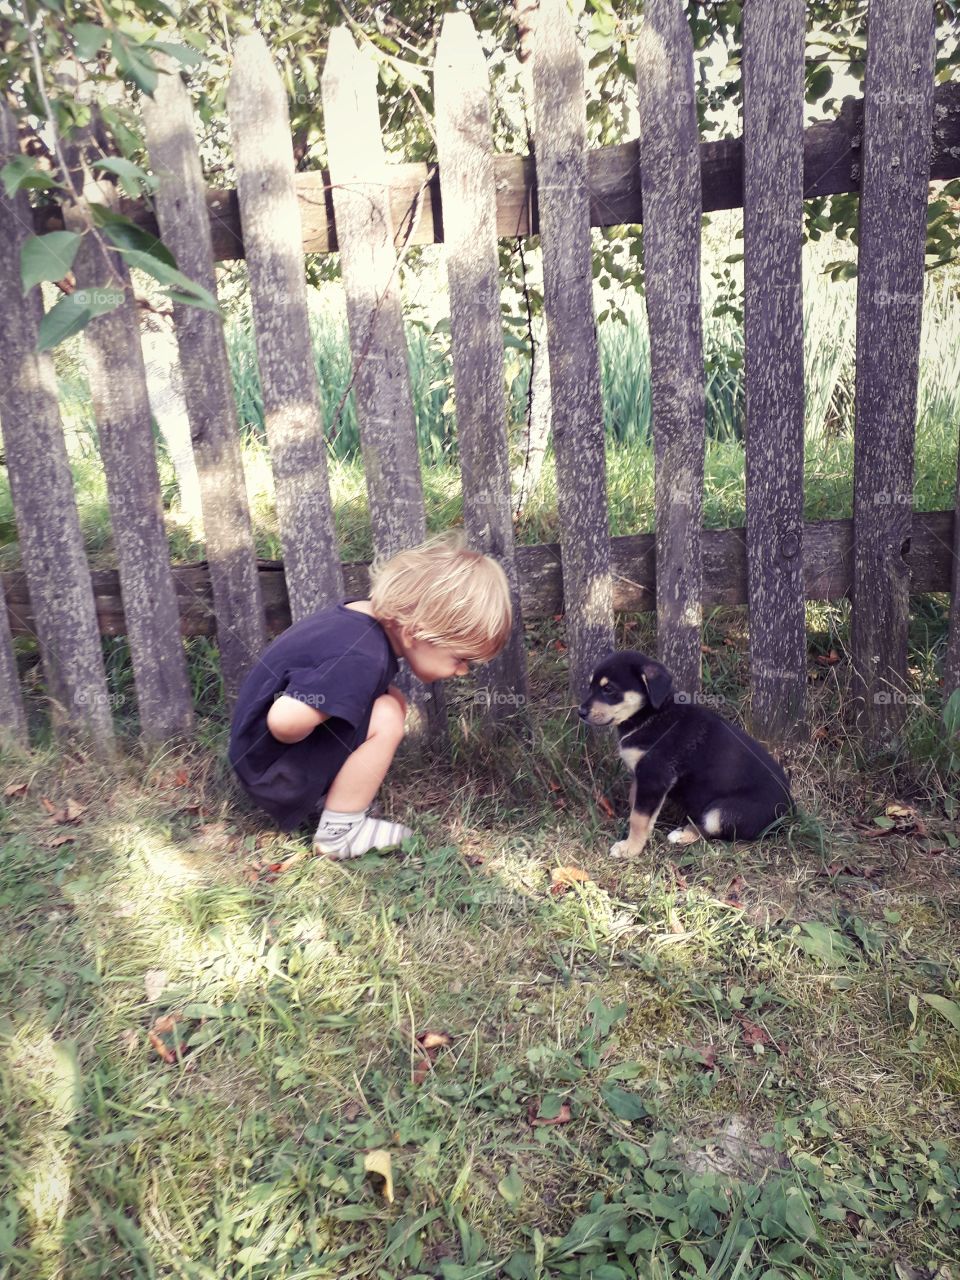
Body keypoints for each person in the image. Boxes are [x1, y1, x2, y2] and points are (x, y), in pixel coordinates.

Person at [228, 532, 512, 859]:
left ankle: (331, 794)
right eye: (460, 659)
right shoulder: (362, 658)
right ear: (416, 632)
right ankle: (340, 831)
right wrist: (322, 741)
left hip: (256, 754)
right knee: (388, 715)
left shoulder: (357, 620)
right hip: (269, 768)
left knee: (392, 701)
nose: (462, 672)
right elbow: (283, 721)